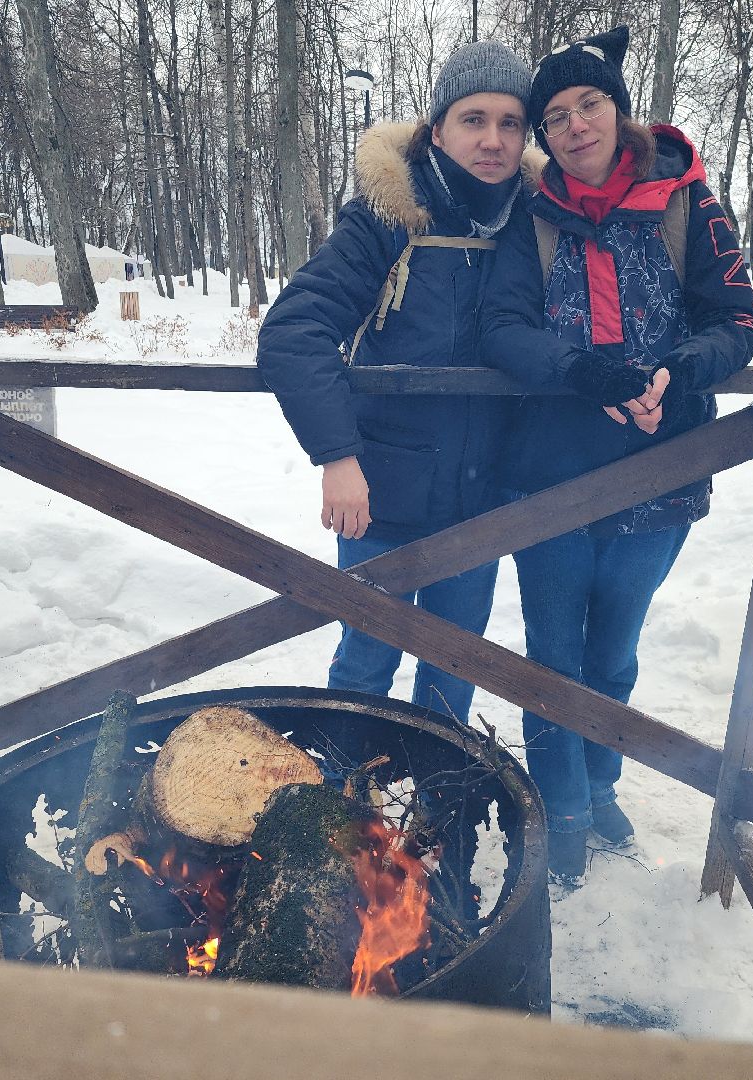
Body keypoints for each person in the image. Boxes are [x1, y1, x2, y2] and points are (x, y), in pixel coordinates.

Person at [479, 27, 753, 884]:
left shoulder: (688, 203)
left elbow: (737, 318)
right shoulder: (529, 215)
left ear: (620, 109)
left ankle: (599, 787)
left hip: (661, 475)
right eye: (556, 116)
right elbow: (502, 326)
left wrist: (684, 373)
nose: (575, 126)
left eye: (589, 104)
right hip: (548, 479)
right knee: (551, 660)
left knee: (612, 656)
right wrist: (578, 369)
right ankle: (560, 811)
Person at [257, 41, 537, 724]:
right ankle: (344, 781)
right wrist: (337, 456)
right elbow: (295, 331)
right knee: (366, 663)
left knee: (455, 666)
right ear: (437, 130)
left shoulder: (535, 222)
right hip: (383, 493)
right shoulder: (386, 219)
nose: (493, 139)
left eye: (510, 122)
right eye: (473, 119)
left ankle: (440, 789)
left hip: (484, 496)